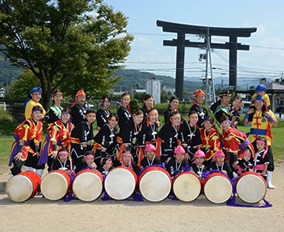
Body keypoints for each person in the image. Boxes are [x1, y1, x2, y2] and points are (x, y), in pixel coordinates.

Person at [243, 95, 277, 188]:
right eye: (256, 102)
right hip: (252, 138)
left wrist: (269, 117)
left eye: (260, 102)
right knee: (248, 158)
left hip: (264, 140)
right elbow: (245, 123)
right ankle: (248, 177)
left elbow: (275, 124)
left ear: (263, 103)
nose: (258, 104)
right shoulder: (251, 112)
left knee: (268, 159)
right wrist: (247, 114)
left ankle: (268, 182)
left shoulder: (268, 112)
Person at [9, 106, 44, 176]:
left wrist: (37, 151)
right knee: (18, 162)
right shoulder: (27, 124)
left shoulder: (40, 124)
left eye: (40, 113)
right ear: (32, 114)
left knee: (39, 160)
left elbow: (37, 140)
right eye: (36, 113)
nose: (38, 115)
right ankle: (12, 180)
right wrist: (20, 152)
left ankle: (35, 179)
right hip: (21, 145)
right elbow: (22, 139)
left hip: (29, 147)